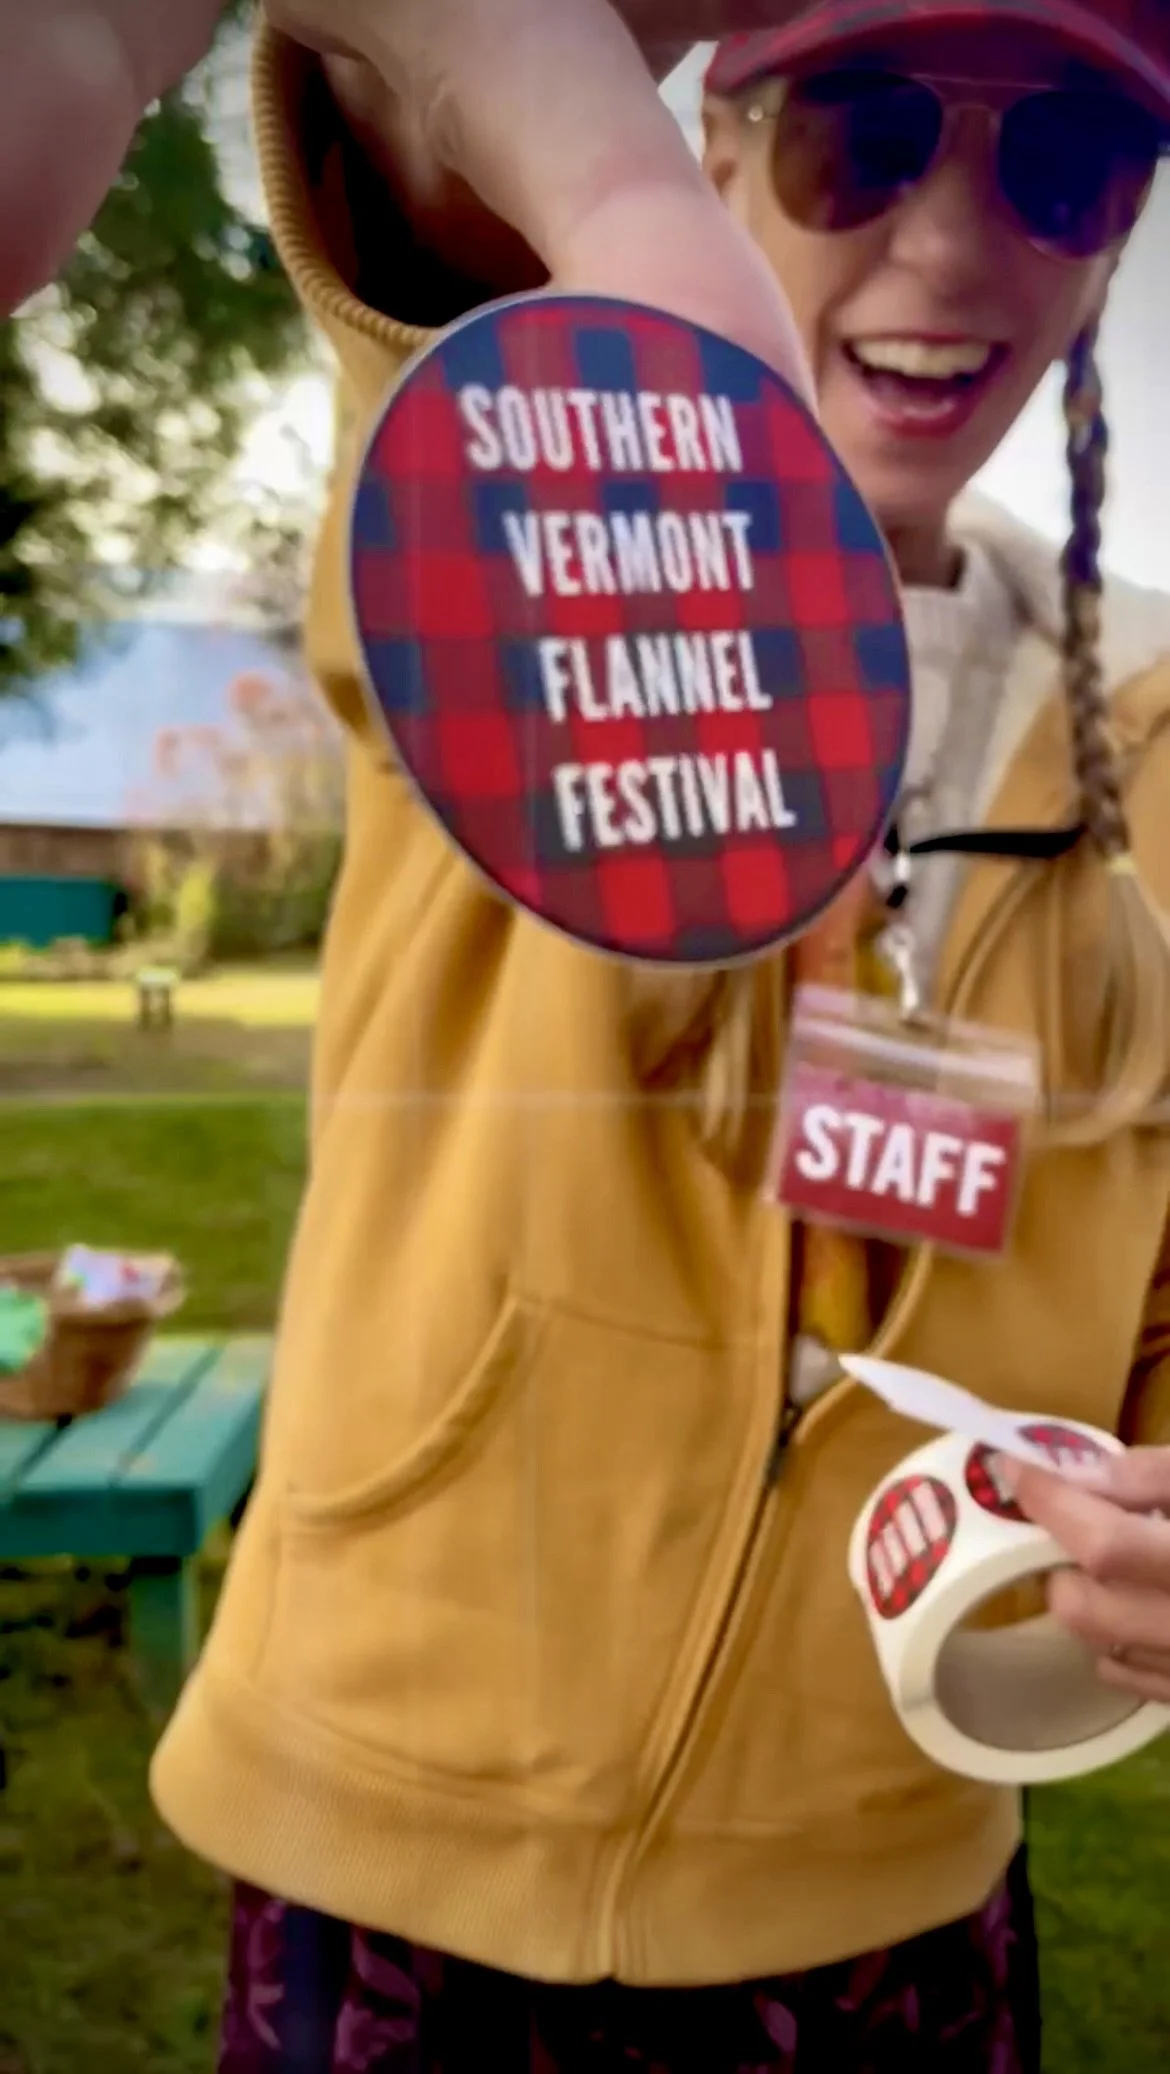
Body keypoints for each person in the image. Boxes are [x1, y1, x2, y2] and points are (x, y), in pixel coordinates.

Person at [6, 3, 1170, 2070]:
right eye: (863, 132)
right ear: (715, 146)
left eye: (1068, 160)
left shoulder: (1146, 743)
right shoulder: (524, 523)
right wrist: (591, 156)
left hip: (896, 1854)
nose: (954, 245)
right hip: (400, 1816)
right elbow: (419, 130)